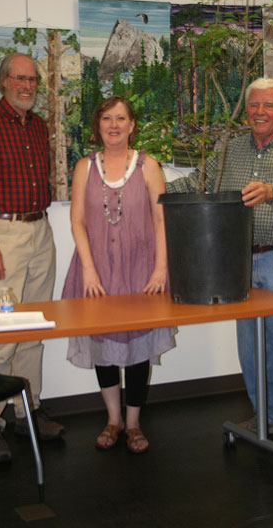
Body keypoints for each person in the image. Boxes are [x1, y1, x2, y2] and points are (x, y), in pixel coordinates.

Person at [166, 77, 273, 451]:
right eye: (254, 105)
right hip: (241, 263)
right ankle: (270, 416)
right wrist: (154, 186)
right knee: (252, 345)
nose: (259, 112)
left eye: (268, 106)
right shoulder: (231, 149)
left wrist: (271, 191)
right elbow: (200, 180)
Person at [0, 52, 64, 463]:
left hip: (41, 230)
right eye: (19, 78)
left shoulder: (38, 126)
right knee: (3, 334)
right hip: (3, 232)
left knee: (34, 328)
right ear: (4, 81)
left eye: (33, 80)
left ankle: (28, 411)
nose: (27, 86)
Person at [62, 95, 176, 454]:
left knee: (139, 346)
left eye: (121, 118)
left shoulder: (148, 166)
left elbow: (162, 219)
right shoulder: (84, 167)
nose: (114, 125)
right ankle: (112, 419)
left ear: (131, 125)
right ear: (98, 125)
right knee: (104, 347)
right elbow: (77, 221)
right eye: (107, 118)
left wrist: (161, 267)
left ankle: (133, 424)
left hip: (142, 269)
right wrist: (89, 272)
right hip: (95, 271)